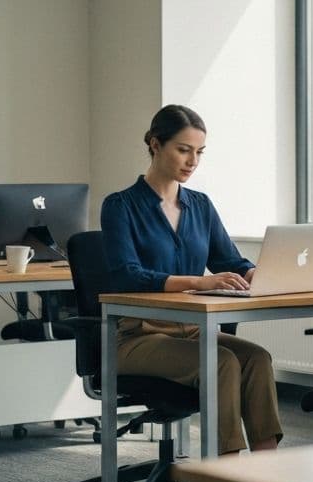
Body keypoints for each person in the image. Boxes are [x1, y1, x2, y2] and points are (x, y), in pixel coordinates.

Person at [101, 104, 281, 455]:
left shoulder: (200, 205)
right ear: (155, 144)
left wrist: (257, 273)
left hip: (193, 328)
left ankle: (266, 477)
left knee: (258, 358)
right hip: (138, 335)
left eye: (199, 152)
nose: (192, 161)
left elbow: (228, 259)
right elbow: (127, 275)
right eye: (183, 150)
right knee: (223, 361)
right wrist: (197, 283)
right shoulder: (120, 206)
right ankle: (227, 481)